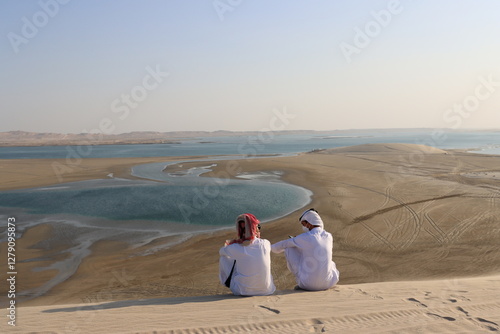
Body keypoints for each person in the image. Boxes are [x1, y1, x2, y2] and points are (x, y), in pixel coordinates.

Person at [271, 208, 339, 291]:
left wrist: (268, 247)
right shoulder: (329, 236)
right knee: (329, 261)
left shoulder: (305, 237)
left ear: (310, 223)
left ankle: (302, 280)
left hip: (307, 285)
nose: (304, 227)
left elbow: (282, 245)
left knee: (289, 247)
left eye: (304, 224)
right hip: (329, 283)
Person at [219, 213, 276, 296]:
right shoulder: (266, 243)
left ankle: (226, 282)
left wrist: (233, 243)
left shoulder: (236, 247)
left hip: (242, 291)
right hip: (267, 290)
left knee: (224, 257)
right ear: (255, 228)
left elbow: (221, 251)